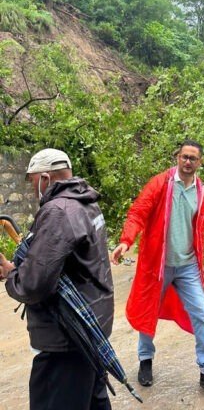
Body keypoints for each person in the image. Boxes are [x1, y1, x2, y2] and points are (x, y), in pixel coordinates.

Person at [110, 140, 204, 395]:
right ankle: (145, 359)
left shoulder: (201, 191)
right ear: (177, 157)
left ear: (200, 162)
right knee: (148, 311)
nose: (188, 162)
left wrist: (201, 262)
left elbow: (199, 231)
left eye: (193, 159)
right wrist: (125, 241)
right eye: (184, 157)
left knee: (202, 314)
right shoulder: (160, 184)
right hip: (158, 264)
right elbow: (138, 213)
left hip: (187, 266)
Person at [0, 148, 114, 410]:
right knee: (93, 400)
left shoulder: (58, 211)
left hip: (66, 338)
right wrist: (14, 267)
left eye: (32, 181)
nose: (31, 190)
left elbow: (34, 284)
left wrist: (11, 276)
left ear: (46, 178)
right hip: (91, 327)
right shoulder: (86, 202)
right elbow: (67, 262)